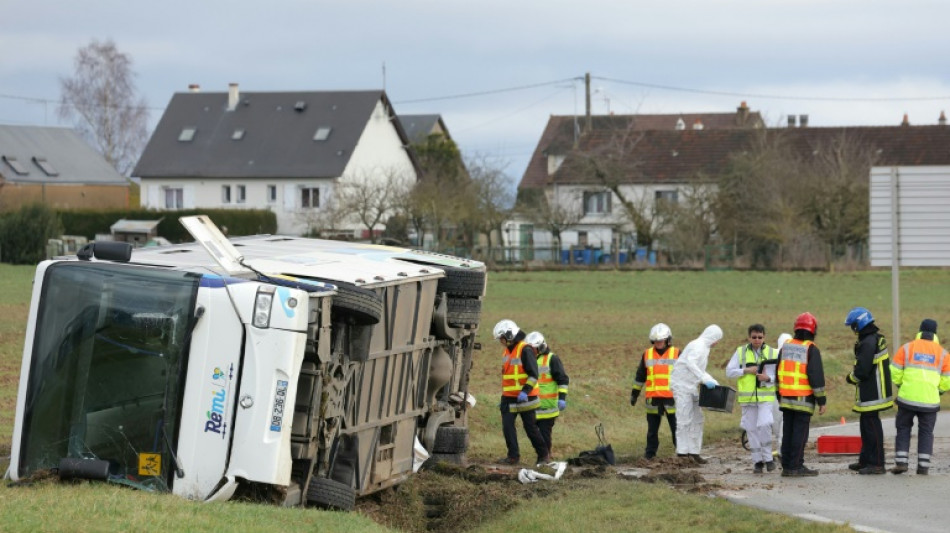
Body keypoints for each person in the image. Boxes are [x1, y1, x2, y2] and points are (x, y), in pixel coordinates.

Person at [890, 319, 950, 475]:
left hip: (907, 398)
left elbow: (894, 372)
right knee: (926, 432)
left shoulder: (907, 348)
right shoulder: (943, 353)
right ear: (935, 333)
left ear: (920, 330)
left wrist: (901, 385)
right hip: (930, 401)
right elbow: (947, 380)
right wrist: (939, 391)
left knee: (903, 428)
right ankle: (923, 466)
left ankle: (901, 462)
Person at [843, 307, 894, 475]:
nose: (853, 330)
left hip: (873, 393)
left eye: (853, 326)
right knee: (866, 428)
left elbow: (863, 370)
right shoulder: (872, 339)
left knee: (872, 429)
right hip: (872, 392)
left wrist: (851, 378)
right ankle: (865, 460)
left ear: (860, 324)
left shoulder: (868, 342)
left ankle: (877, 463)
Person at [492, 319, 550, 465]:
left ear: (509, 335)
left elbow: (533, 374)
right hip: (508, 398)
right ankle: (513, 457)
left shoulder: (525, 349)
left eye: (501, 338)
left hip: (526, 398)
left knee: (530, 428)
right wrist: (505, 396)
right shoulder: (507, 351)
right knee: (508, 428)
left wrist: (525, 391)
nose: (501, 341)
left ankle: (543, 455)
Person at [777, 312, 827, 477]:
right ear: (813, 330)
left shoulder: (786, 346)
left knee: (788, 433)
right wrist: (822, 400)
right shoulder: (811, 349)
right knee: (800, 435)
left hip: (785, 399)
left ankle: (787, 466)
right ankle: (796, 466)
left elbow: (778, 371)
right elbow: (815, 376)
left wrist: (779, 394)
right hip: (803, 400)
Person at [726, 324, 778, 473]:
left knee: (764, 424)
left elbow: (779, 375)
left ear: (764, 337)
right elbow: (729, 372)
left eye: (760, 337)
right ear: (749, 337)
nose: (757, 340)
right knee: (751, 429)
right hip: (747, 399)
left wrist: (768, 378)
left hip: (765, 397)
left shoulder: (773, 353)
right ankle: (757, 462)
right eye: (754, 337)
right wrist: (746, 370)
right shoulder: (740, 352)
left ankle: (768, 458)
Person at [670, 324, 723, 464]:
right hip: (681, 385)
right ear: (714, 338)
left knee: (697, 418)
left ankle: (694, 452)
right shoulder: (697, 346)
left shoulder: (704, 348)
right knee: (684, 419)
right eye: (717, 339)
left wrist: (711, 379)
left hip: (691, 386)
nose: (717, 343)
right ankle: (682, 453)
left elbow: (698, 368)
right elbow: (690, 363)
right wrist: (704, 379)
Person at [630, 323, 679, 460]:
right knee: (652, 430)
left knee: (677, 429)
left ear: (668, 340)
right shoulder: (647, 354)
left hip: (672, 398)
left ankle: (682, 453)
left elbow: (686, 374)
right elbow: (640, 376)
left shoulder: (677, 353)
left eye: (661, 341)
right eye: (656, 341)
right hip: (653, 399)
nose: (658, 343)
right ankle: (650, 455)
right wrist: (635, 394)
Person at [525, 331, 570, 458]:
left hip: (548, 407)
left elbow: (563, 380)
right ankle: (543, 456)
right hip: (533, 406)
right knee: (534, 435)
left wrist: (562, 399)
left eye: (533, 349)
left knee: (544, 434)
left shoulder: (552, 359)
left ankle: (545, 458)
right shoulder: (529, 359)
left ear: (540, 347)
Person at [772, 332, 792, 457]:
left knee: (778, 423)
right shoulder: (794, 356)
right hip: (784, 393)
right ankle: (782, 450)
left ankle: (781, 450)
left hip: (776, 394)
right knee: (782, 423)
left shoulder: (773, 353)